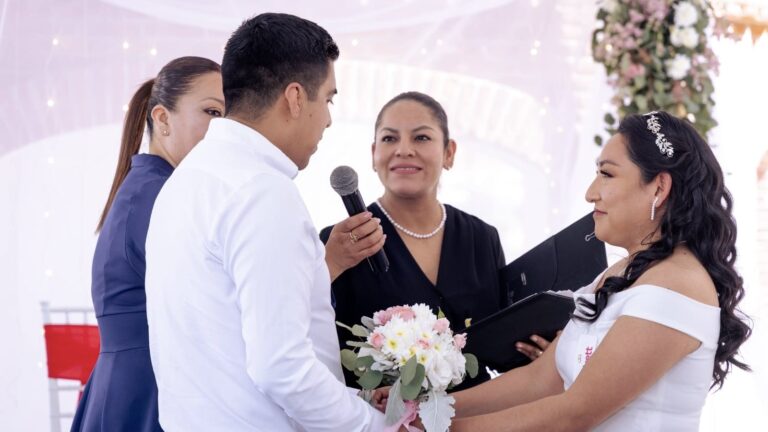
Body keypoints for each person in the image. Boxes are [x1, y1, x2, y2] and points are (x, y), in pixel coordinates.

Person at [376, 111, 752, 431]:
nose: (590, 192)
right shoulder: (621, 272)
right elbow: (539, 381)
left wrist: (440, 429)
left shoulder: (677, 285)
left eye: (607, 174)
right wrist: (425, 408)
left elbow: (575, 412)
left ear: (659, 187)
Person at [144, 13, 390, 431]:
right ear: (295, 98)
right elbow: (282, 369)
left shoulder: (187, 179)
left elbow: (224, 351)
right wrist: (374, 425)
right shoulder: (261, 191)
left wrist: (356, 399)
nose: (328, 119)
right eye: (327, 100)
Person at [321, 92, 551, 389]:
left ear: (449, 152)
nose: (404, 150)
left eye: (421, 138)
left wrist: (536, 351)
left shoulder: (482, 238)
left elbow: (499, 346)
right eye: (390, 139)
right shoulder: (342, 242)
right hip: (376, 413)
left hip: (478, 410)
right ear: (374, 154)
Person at [71, 56, 223, 432]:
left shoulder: (151, 188)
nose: (224, 129)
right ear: (162, 118)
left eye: (228, 117)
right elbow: (215, 300)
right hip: (148, 388)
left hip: (136, 383)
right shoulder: (160, 195)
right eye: (212, 112)